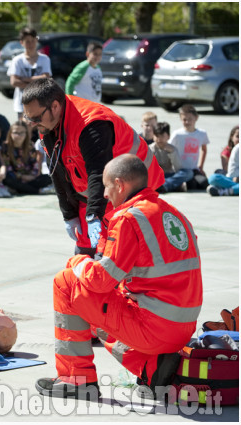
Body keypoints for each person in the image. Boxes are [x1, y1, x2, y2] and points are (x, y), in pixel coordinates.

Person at [36, 154, 202, 400]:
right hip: (183, 329)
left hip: (154, 329)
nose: (104, 194)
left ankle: (76, 379)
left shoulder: (129, 218)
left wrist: (79, 260)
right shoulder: (174, 214)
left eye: (105, 186)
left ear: (119, 184)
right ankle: (152, 369)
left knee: (67, 282)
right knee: (103, 301)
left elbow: (101, 280)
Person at [21, 78, 164, 256]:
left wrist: (93, 215)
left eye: (35, 118)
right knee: (85, 253)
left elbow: (98, 173)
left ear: (55, 106)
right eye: (28, 118)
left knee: (113, 253)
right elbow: (57, 172)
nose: (32, 124)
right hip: (100, 189)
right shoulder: (47, 126)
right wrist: (69, 214)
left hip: (133, 186)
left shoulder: (91, 125)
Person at [7, 28, 51, 120]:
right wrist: (38, 82)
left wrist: (24, 79)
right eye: (27, 42)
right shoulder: (17, 60)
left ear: (36, 41)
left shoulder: (44, 59)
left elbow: (46, 78)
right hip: (22, 103)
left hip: (41, 103)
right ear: (21, 43)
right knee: (24, 131)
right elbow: (14, 82)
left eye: (32, 41)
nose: (30, 44)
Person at [2, 121, 52, 195]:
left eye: (22, 133)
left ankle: (21, 189)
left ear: (26, 134)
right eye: (16, 133)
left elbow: (35, 164)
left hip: (30, 177)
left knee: (48, 178)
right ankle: (37, 191)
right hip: (16, 177)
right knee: (8, 179)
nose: (19, 136)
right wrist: (22, 177)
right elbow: (8, 168)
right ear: (10, 133)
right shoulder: (5, 147)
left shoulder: (30, 145)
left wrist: (32, 176)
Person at [169, 104, 209, 189]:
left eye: (190, 119)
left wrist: (201, 166)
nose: (187, 122)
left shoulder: (202, 133)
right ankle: (175, 184)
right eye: (184, 119)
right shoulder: (177, 134)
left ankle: (182, 184)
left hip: (193, 169)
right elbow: (169, 149)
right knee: (191, 184)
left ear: (196, 118)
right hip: (180, 170)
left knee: (204, 184)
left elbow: (204, 149)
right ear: (180, 119)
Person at [150, 122, 189, 194]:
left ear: (168, 136)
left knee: (188, 172)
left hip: (169, 175)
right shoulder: (150, 149)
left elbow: (178, 168)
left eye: (162, 136)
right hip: (156, 176)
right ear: (153, 136)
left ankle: (165, 186)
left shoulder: (172, 149)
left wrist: (172, 153)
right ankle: (174, 186)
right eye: (157, 136)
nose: (159, 139)